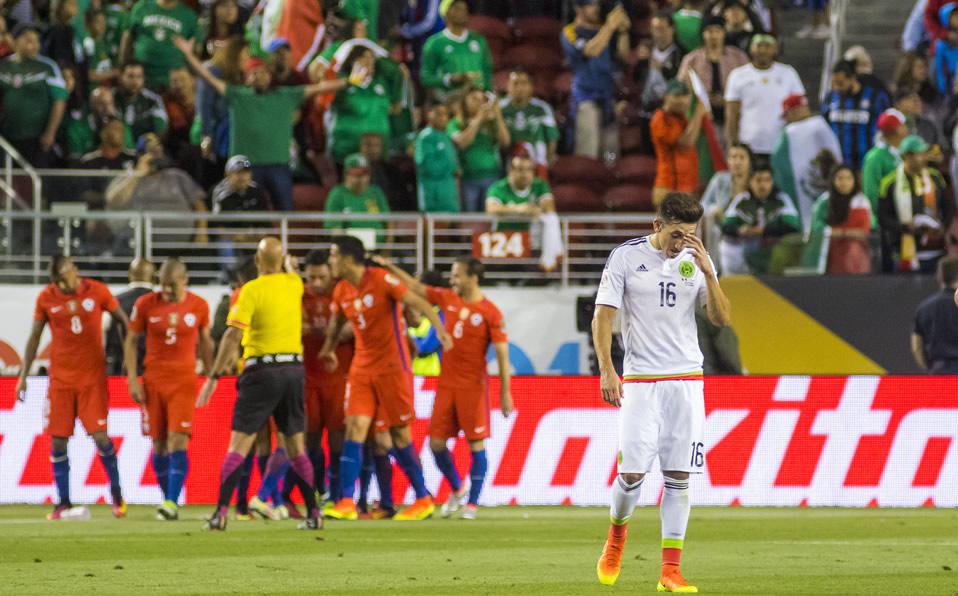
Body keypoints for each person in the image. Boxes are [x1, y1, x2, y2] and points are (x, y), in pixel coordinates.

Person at [592, 193, 731, 594]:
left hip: (686, 380)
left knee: (679, 476)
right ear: (657, 226)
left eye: (689, 235)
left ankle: (670, 570)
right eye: (675, 234)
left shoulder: (697, 259)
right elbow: (603, 316)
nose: (681, 243)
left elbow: (720, 319)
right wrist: (607, 369)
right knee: (632, 473)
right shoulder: (625, 258)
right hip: (640, 381)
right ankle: (616, 538)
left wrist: (708, 272)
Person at [320, 235, 453, 522]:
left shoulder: (380, 279)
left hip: (393, 366)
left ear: (347, 258)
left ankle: (423, 498)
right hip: (362, 367)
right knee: (354, 427)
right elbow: (336, 324)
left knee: (398, 433)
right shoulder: (342, 290)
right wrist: (328, 349)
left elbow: (417, 300)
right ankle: (344, 501)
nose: (330, 261)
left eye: (333, 256)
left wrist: (440, 329)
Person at [197, 237, 322, 530]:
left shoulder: (250, 290)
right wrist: (289, 267)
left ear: (256, 261)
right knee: (296, 446)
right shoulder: (294, 285)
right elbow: (292, 273)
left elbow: (231, 335)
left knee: (239, 444)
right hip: (293, 369)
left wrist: (213, 377)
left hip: (261, 371)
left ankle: (220, 514)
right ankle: (314, 515)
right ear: (282, 262)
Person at [374, 255, 512, 520]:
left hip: (473, 387)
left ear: (473, 277)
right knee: (436, 444)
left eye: (457, 274)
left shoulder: (490, 312)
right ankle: (458, 488)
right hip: (446, 386)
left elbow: (503, 355)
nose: (453, 279)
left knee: (476, 445)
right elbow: (415, 288)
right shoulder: (448, 299)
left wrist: (506, 393)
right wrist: (390, 266)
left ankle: (472, 504)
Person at [14, 256, 130, 520]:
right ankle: (63, 502)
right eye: (56, 281)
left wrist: (127, 360)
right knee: (58, 441)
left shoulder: (98, 291)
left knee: (100, 436)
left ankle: (117, 495)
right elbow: (34, 338)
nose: (61, 286)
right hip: (61, 381)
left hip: (92, 380)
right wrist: (23, 376)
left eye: (64, 279)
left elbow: (124, 321)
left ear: (75, 270)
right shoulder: (46, 298)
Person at [174, 36, 343, 211]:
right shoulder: (237, 95)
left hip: (278, 165)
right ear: (246, 78)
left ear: (270, 77)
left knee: (286, 210)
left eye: (263, 72)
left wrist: (350, 81)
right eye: (254, 73)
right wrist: (189, 55)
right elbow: (208, 77)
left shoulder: (286, 95)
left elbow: (321, 87)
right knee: (246, 210)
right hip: (246, 167)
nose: (259, 76)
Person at [125, 259, 213, 521]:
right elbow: (131, 341)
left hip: (184, 382)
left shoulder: (199, 305)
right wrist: (132, 378)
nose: (166, 291)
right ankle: (167, 498)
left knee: (178, 440)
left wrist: (211, 375)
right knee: (159, 444)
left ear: (184, 281)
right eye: (162, 285)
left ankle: (172, 502)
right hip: (153, 381)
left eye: (171, 285)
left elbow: (206, 342)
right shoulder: (145, 305)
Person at [290, 249, 354, 512]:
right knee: (310, 440)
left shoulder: (343, 292)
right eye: (312, 277)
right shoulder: (298, 294)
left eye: (321, 277)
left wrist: (325, 332)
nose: (316, 283)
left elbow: (353, 328)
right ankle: (318, 491)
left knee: (339, 438)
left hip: (339, 376)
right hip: (307, 377)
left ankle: (340, 496)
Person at [561, 0, 631, 159]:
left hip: (608, 97)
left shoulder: (603, 29)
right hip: (585, 99)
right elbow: (591, 50)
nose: (596, 9)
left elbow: (623, 55)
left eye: (596, 5)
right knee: (588, 152)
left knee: (610, 156)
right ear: (579, 8)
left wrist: (623, 31)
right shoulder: (570, 31)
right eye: (591, 5)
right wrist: (610, 26)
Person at [878, 135, 951, 273]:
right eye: (920, 154)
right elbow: (883, 217)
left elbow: (948, 206)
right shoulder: (889, 183)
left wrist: (944, 226)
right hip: (903, 250)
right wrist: (905, 227)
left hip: (935, 247)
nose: (924, 157)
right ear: (907, 156)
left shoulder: (935, 177)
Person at [0, 23, 68, 167]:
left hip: (37, 138)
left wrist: (50, 132)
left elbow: (60, 100)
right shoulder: (4, 66)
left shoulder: (48, 67)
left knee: (33, 181)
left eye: (37, 40)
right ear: (15, 40)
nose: (35, 45)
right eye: (29, 40)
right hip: (8, 137)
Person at [771, 94, 842, 229]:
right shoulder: (821, 124)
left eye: (787, 115)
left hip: (804, 191)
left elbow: (779, 168)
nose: (786, 119)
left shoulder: (791, 133)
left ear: (794, 111)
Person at [721, 164, 803, 274]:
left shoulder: (782, 199)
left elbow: (792, 227)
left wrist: (763, 231)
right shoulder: (742, 200)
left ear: (772, 182)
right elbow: (726, 227)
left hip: (774, 254)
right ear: (750, 181)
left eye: (767, 180)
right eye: (758, 180)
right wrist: (739, 230)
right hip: (744, 254)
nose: (763, 185)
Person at [676, 14, 749, 133]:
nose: (714, 36)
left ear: (724, 33)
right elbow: (681, 86)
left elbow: (749, 84)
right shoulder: (691, 59)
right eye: (709, 31)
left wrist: (727, 99)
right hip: (702, 119)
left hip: (734, 117)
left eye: (718, 31)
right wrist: (703, 99)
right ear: (703, 34)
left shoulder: (738, 57)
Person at [325, 45, 394, 165]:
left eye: (372, 58)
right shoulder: (341, 83)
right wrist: (349, 83)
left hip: (378, 151)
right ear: (352, 61)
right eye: (364, 57)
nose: (369, 61)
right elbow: (334, 101)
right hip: (348, 150)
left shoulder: (380, 84)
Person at [803, 165, 874, 275]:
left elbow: (866, 230)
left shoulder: (862, 202)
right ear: (833, 180)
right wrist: (840, 233)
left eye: (849, 178)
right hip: (829, 253)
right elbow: (817, 227)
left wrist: (842, 233)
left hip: (857, 254)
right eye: (840, 178)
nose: (844, 182)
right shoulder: (824, 202)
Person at [821, 60, 892, 170]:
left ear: (852, 78)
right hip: (839, 165)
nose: (836, 88)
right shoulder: (830, 98)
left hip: (867, 162)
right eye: (833, 83)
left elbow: (887, 126)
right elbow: (824, 127)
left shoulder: (875, 97)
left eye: (840, 83)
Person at [450, 87, 510, 212]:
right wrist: (478, 119)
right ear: (464, 101)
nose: (478, 102)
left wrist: (497, 114)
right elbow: (463, 143)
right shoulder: (455, 123)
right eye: (473, 98)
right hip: (468, 179)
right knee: (470, 219)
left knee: (489, 219)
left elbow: (505, 142)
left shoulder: (491, 122)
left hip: (492, 177)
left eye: (481, 99)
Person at [419, 0, 493, 102]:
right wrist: (449, 79)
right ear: (446, 13)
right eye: (457, 8)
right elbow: (426, 77)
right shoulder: (434, 43)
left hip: (478, 99)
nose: (463, 11)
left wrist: (488, 93)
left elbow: (487, 70)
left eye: (464, 8)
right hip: (450, 99)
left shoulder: (478, 39)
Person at [650, 80, 706, 204]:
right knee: (673, 224)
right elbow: (686, 143)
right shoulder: (660, 118)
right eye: (676, 96)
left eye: (685, 96)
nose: (682, 100)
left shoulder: (682, 118)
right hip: (669, 187)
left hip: (686, 188)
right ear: (666, 96)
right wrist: (698, 113)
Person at [120, 0, 198, 89]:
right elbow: (127, 38)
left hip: (173, 85)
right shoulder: (141, 7)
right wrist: (122, 67)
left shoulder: (189, 15)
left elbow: (195, 51)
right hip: (140, 81)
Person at [211, 155, 270, 266]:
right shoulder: (221, 194)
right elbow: (216, 227)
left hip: (253, 236)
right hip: (231, 238)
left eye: (246, 172)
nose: (242, 176)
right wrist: (237, 236)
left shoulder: (257, 191)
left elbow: (265, 221)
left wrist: (256, 235)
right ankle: (229, 280)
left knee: (269, 245)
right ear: (227, 175)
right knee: (225, 246)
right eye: (238, 173)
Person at [500, 68, 560, 177]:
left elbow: (552, 138)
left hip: (537, 162)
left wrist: (546, 162)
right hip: (507, 162)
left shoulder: (542, 108)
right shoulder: (499, 108)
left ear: (531, 87)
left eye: (523, 83)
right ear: (507, 86)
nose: (519, 88)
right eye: (515, 83)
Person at [701, 142, 751, 272]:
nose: (737, 162)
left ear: (749, 161)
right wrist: (714, 209)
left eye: (741, 157)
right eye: (733, 157)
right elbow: (702, 206)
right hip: (721, 232)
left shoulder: (754, 181)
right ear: (728, 160)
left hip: (748, 233)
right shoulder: (720, 180)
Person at [105, 258, 155, 375]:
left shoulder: (113, 301)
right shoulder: (160, 302)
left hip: (121, 368)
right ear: (153, 277)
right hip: (152, 368)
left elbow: (104, 332)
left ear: (130, 275)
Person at [912, 257, 958, 373]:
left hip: (938, 373)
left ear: (940, 277)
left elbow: (916, 346)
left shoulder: (924, 307)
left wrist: (929, 368)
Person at [324, 153, 391, 231]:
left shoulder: (376, 192)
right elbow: (334, 228)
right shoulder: (337, 194)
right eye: (356, 174)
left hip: (377, 242)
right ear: (346, 174)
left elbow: (389, 222)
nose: (361, 179)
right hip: (351, 241)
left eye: (364, 174)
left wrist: (389, 243)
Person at [485, 154, 556, 228]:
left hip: (532, 235)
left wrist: (534, 209)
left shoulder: (540, 185)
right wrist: (519, 209)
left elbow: (549, 208)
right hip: (506, 234)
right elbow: (491, 209)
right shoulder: (498, 187)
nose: (524, 174)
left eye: (528, 169)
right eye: (520, 169)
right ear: (510, 171)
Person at [415, 102, 460, 212]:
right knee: (433, 226)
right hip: (433, 193)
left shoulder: (446, 135)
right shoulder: (425, 137)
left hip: (449, 191)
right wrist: (452, 168)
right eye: (439, 114)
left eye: (445, 114)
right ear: (429, 115)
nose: (443, 118)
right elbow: (429, 167)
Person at [862, 109, 908, 213]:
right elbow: (871, 192)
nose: (906, 129)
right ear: (896, 130)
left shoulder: (903, 152)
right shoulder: (875, 157)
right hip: (886, 216)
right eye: (903, 125)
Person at [114, 61, 169, 140]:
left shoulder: (153, 100)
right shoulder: (110, 98)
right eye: (130, 76)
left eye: (139, 76)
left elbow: (162, 128)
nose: (135, 81)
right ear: (121, 78)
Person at [932, 3, 958, 96]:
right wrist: (942, 87)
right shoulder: (942, 43)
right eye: (953, 16)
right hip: (951, 80)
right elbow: (939, 67)